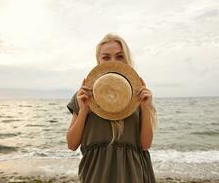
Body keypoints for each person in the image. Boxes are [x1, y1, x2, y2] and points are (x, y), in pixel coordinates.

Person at [66, 33, 157, 183]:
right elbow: (71, 144)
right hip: (95, 174)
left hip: (133, 174)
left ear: (127, 59)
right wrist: (83, 110)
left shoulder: (139, 96)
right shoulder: (83, 96)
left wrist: (146, 108)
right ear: (98, 61)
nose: (113, 61)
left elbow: (145, 145)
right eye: (106, 57)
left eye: (120, 56)